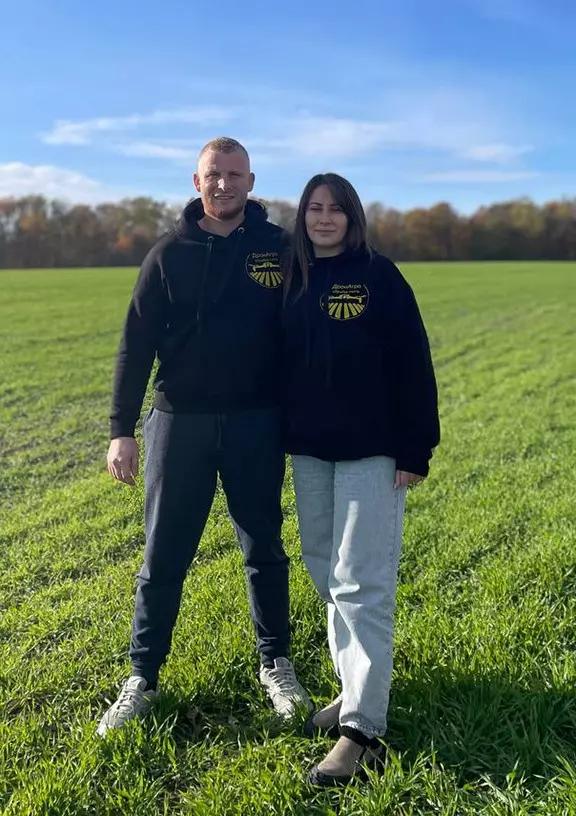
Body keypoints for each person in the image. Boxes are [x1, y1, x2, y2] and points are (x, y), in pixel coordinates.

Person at [97, 137, 311, 737]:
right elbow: (135, 345)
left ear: (251, 182)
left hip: (255, 421)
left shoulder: (279, 248)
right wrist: (121, 431)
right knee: (163, 554)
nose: (224, 184)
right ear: (197, 182)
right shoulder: (168, 254)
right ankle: (142, 678)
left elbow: (309, 326)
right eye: (214, 174)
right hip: (179, 422)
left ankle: (276, 665)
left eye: (235, 175)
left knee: (264, 548)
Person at [281, 174, 440, 786]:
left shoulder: (380, 276)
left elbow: (413, 361)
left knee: (361, 582)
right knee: (326, 572)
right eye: (314, 209)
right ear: (303, 216)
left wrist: (415, 447)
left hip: (372, 452)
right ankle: (353, 690)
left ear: (352, 217)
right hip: (311, 452)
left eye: (336, 209)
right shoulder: (294, 277)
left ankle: (362, 731)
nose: (324, 219)